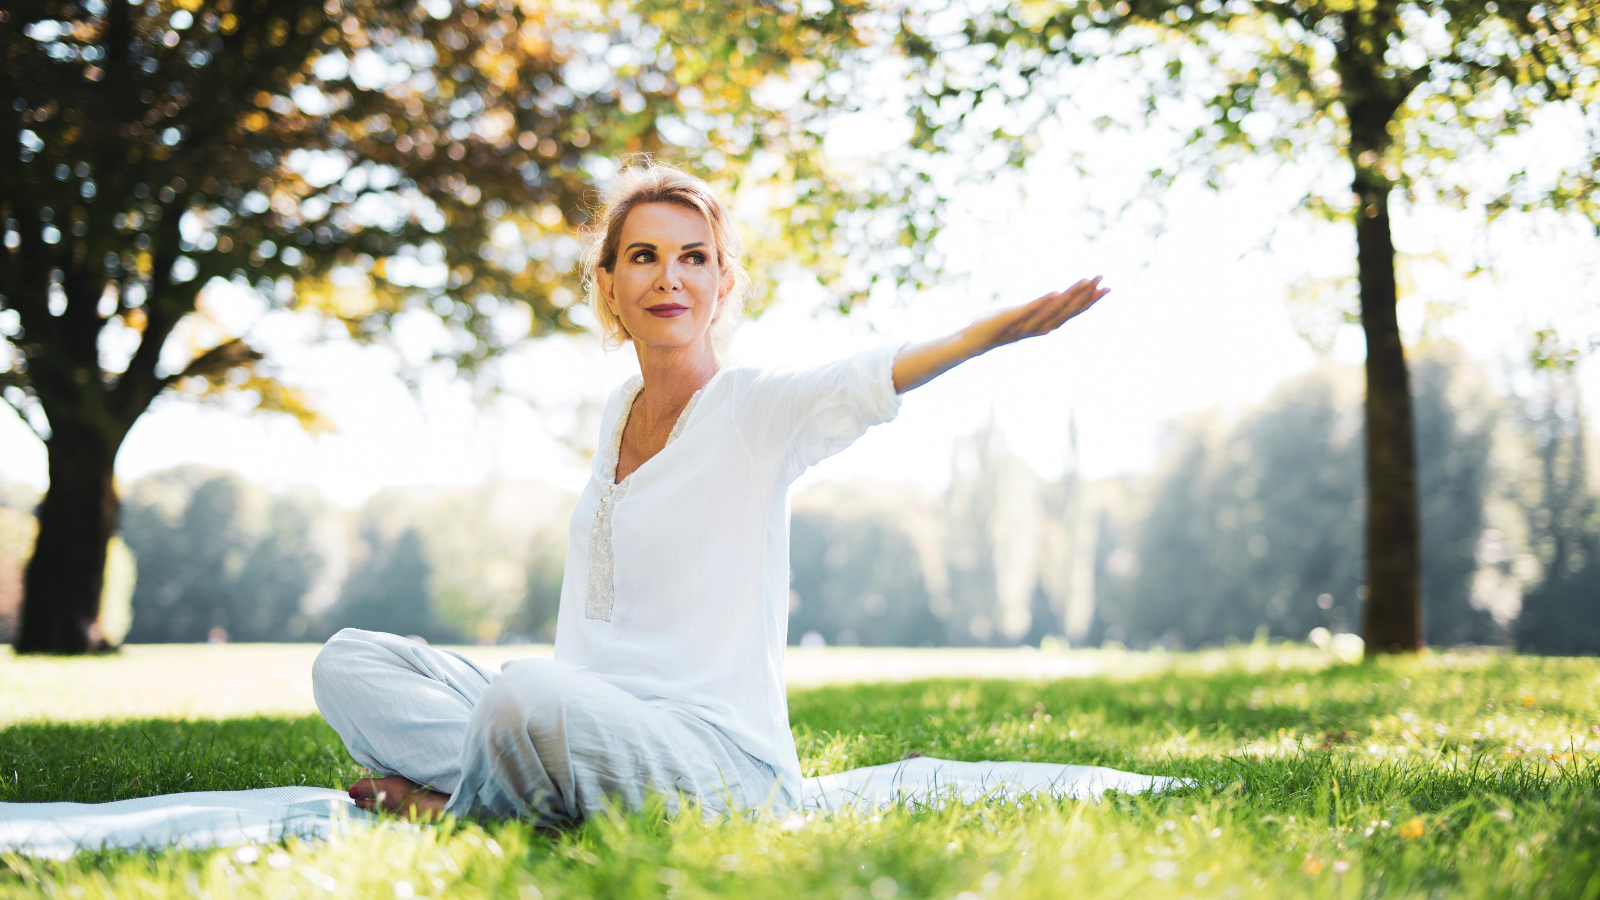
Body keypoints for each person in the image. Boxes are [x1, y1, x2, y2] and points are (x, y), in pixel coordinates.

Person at [310, 161, 1112, 824]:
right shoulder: (614, 412)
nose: (670, 277)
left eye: (694, 257)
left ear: (724, 283)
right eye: (644, 256)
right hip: (586, 717)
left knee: (523, 700)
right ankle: (499, 785)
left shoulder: (752, 411)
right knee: (348, 663)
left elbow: (868, 377)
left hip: (720, 766)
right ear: (611, 283)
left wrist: (987, 334)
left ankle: (445, 813)